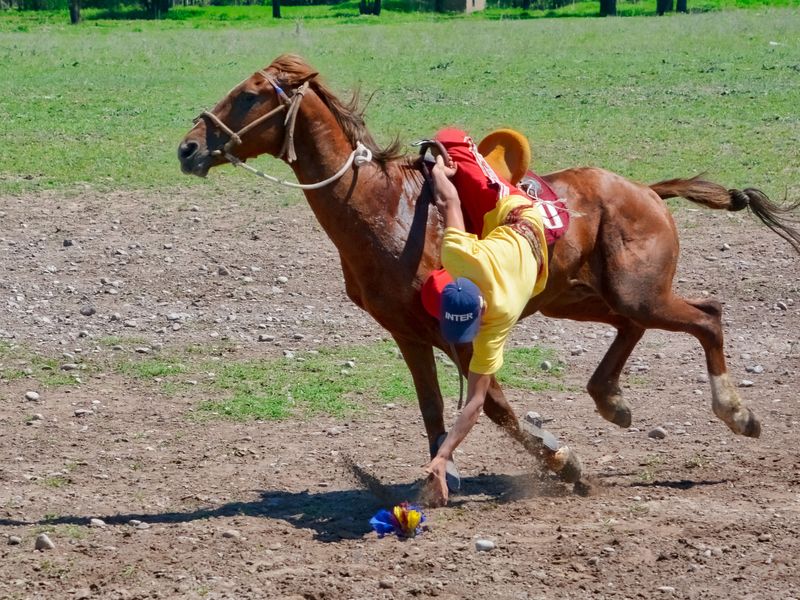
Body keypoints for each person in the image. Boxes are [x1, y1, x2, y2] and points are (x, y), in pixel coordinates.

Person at [422, 129, 550, 507]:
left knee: (450, 138)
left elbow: (476, 402)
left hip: (518, 212)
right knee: (449, 157)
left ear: (480, 314)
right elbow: (450, 201)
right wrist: (442, 176)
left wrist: (442, 455)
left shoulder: (499, 319)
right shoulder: (461, 258)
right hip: (504, 243)